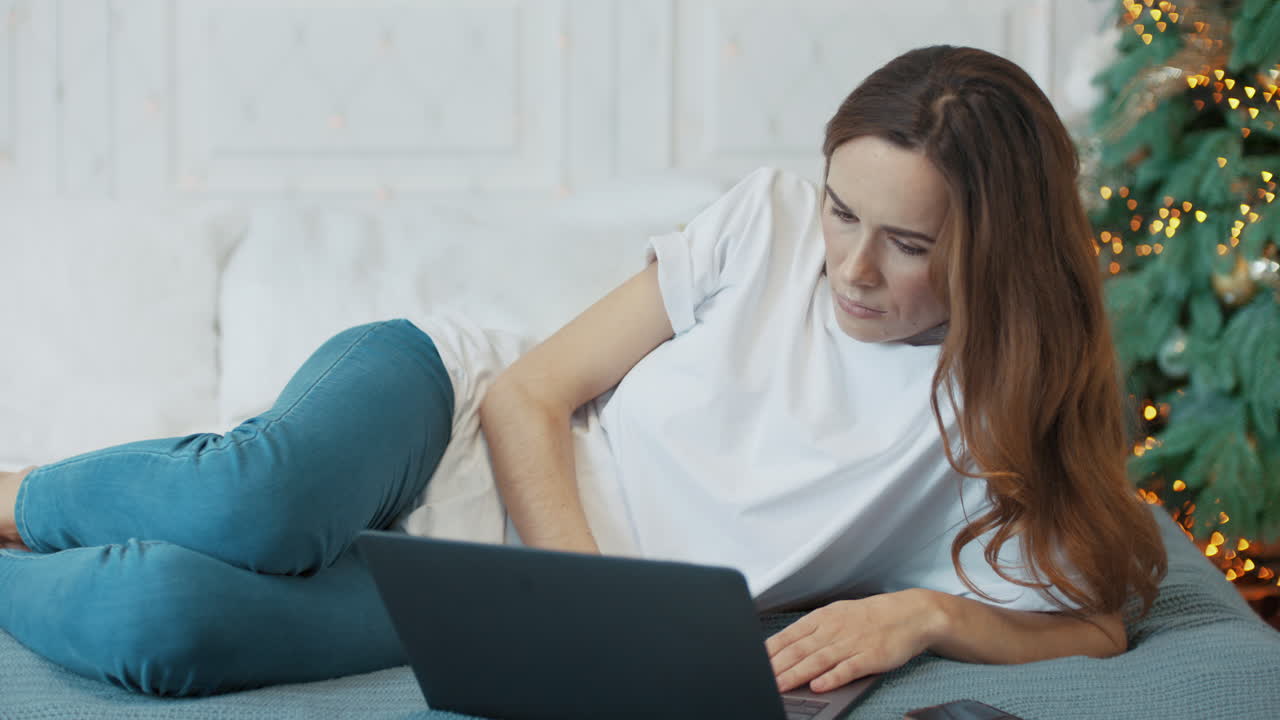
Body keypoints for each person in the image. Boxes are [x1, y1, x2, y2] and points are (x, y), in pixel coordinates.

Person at [0, 44, 1167, 699]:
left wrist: (921, 615)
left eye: (908, 246)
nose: (851, 267)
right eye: (840, 209)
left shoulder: (988, 429)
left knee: (161, 621)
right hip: (445, 410)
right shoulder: (761, 221)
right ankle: (16, 490)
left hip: (486, 585)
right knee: (254, 502)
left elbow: (1099, 622)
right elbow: (529, 393)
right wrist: (581, 603)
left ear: (998, 252)